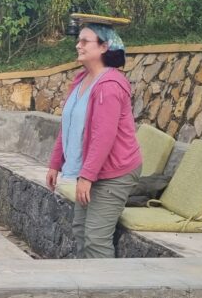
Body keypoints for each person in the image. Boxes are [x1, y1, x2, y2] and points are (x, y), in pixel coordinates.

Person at [45, 16, 142, 258]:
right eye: (78, 40)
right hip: (92, 170)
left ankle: (103, 294)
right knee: (80, 229)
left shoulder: (109, 85)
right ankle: (86, 288)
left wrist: (86, 176)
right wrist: (55, 164)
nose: (78, 45)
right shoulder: (81, 80)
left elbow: (104, 136)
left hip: (114, 173)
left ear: (103, 47)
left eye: (85, 41)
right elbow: (68, 126)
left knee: (96, 238)